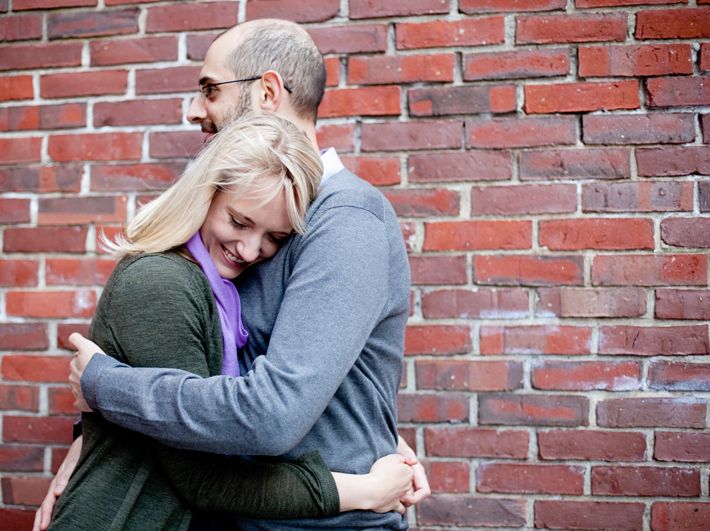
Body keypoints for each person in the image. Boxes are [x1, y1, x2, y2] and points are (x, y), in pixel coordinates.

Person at [41, 18, 430, 531]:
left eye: (210, 90)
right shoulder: (227, 244)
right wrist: (100, 433)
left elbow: (275, 411)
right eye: (243, 224)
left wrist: (107, 389)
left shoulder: (343, 219)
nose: (194, 109)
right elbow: (217, 364)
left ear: (267, 91)